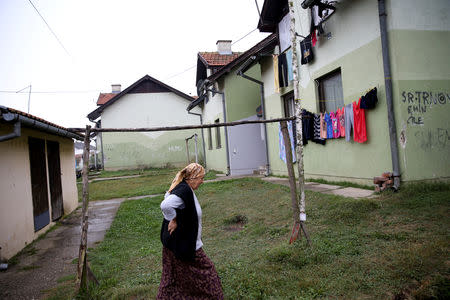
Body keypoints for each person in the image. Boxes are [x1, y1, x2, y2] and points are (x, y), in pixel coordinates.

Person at [157, 163, 223, 299]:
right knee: (208, 274)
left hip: (174, 246)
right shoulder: (185, 190)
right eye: (201, 178)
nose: (202, 181)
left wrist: (175, 218)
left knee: (173, 278)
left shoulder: (181, 187)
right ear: (192, 178)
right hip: (186, 246)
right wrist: (172, 218)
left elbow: (167, 196)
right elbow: (166, 204)